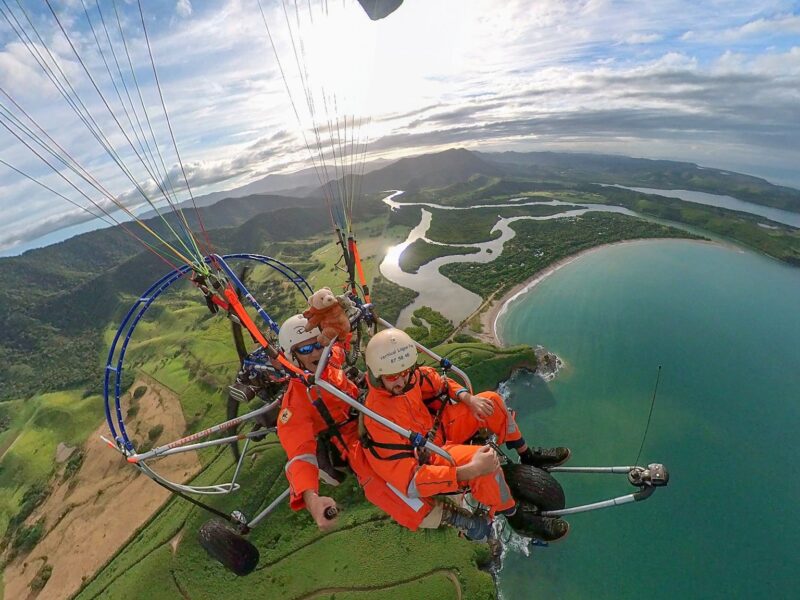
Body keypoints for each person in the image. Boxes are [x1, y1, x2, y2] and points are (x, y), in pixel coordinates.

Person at [361, 328, 570, 541]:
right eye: (393, 376)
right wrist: (469, 471)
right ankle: (516, 517)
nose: (401, 381)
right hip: (430, 457)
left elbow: (440, 383)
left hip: (439, 431)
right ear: (377, 377)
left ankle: (527, 454)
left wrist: (468, 399)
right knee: (481, 462)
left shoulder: (411, 379)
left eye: (406, 372)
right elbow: (411, 483)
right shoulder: (378, 420)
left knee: (492, 402)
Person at [275, 314, 438, 532]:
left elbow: (344, 338)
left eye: (318, 344)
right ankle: (432, 514)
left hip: (369, 407)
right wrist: (312, 500)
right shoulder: (297, 402)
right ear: (293, 357)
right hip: (352, 440)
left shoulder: (331, 357)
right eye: (305, 350)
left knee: (413, 400)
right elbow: (300, 455)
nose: (315, 352)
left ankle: (452, 464)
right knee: (373, 474)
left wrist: (343, 313)